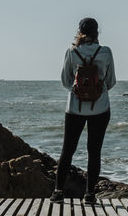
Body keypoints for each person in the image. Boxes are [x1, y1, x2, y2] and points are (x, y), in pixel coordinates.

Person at [50, 17, 116, 205]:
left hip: (74, 109)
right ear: (97, 32)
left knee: (67, 150)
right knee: (94, 151)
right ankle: (89, 195)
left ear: (79, 31)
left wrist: (80, 92)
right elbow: (111, 81)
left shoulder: (72, 51)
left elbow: (65, 81)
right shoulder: (105, 52)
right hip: (100, 108)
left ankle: (58, 192)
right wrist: (96, 93)